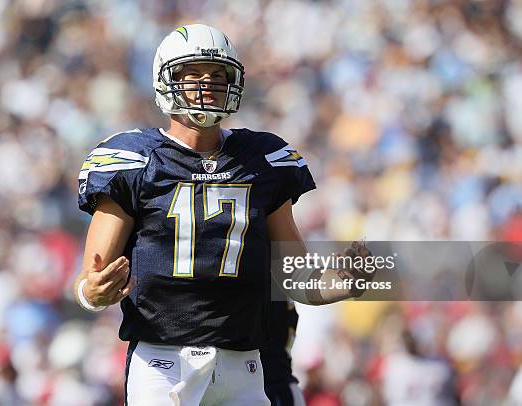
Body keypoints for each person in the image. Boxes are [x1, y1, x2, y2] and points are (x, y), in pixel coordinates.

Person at [74, 23, 371, 406]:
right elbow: (91, 278)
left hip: (245, 366)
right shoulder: (135, 159)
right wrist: (92, 295)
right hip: (164, 365)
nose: (207, 84)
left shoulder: (263, 159)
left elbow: (294, 279)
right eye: (193, 74)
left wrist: (346, 283)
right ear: (166, 80)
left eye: (217, 75)